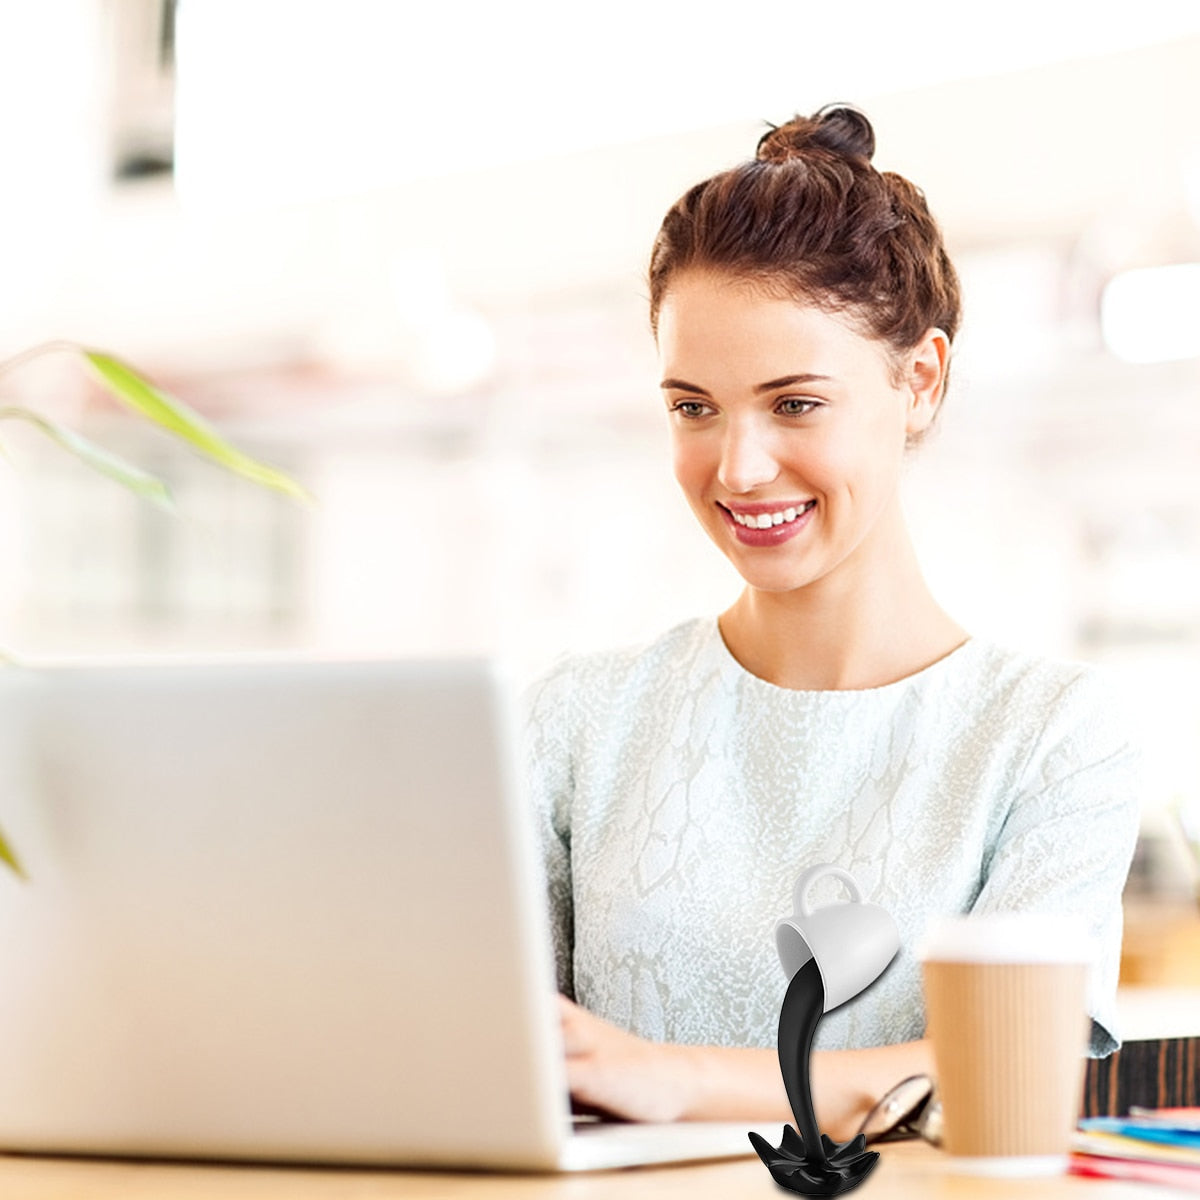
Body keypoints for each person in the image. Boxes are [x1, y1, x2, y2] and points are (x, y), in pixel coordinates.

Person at [522, 104, 1141, 1141]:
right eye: (693, 406)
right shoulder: (578, 720)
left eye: (796, 403)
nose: (738, 468)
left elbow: (1019, 1067)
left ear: (921, 380)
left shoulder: (1050, 737)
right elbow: (487, 1046)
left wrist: (678, 1081)